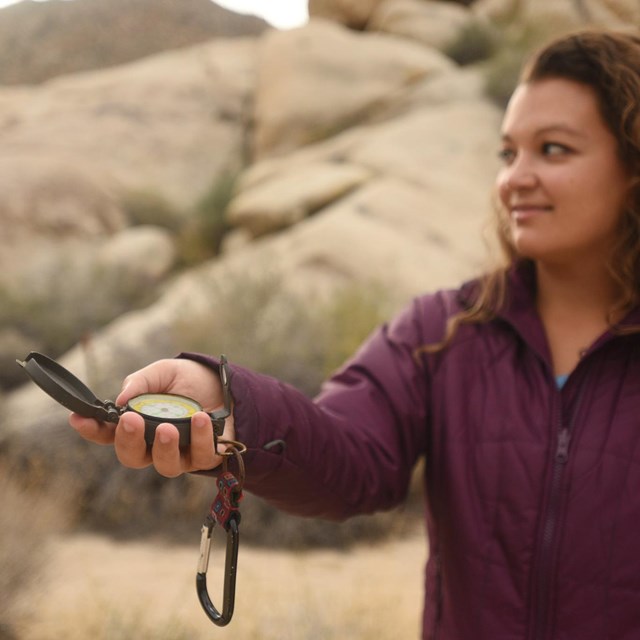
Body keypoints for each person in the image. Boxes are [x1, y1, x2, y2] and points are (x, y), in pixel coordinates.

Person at [69, 28, 640, 639]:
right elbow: (349, 459)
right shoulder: (441, 334)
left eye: (553, 149)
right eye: (507, 153)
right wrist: (232, 403)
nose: (514, 179)